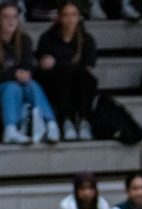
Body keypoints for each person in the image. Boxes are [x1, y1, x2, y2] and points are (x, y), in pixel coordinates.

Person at [0, 1, 59, 144]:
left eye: (14, 17)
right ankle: (10, 130)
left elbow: (29, 65)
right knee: (12, 86)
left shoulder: (25, 40)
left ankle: (51, 124)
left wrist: (25, 73)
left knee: (32, 84)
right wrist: (15, 74)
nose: (11, 21)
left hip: (18, 84)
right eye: (6, 17)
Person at [34, 1, 96, 141]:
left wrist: (59, 63)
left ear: (78, 17)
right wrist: (46, 63)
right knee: (64, 75)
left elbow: (88, 67)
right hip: (56, 81)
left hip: (78, 80)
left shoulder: (87, 40)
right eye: (66, 15)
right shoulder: (48, 38)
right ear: (60, 17)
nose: (70, 19)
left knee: (86, 78)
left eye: (73, 15)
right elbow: (42, 63)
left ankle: (84, 120)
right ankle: (67, 121)